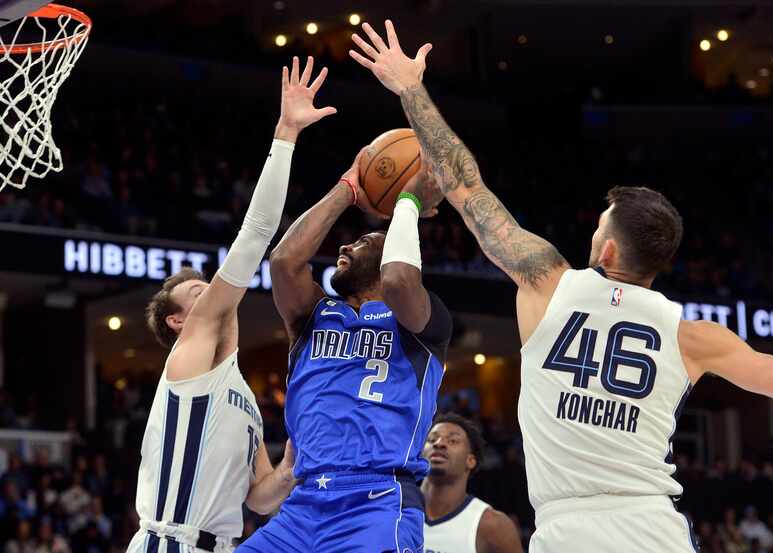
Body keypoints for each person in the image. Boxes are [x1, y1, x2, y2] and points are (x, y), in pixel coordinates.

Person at [350, 20, 773, 553]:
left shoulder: (546, 281)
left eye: (600, 223)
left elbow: (462, 184)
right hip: (653, 528)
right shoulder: (693, 336)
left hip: (568, 528)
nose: (594, 229)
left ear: (607, 250)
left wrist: (410, 88)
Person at [127, 56, 334, 553]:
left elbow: (259, 499)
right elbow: (257, 233)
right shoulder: (190, 360)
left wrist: (289, 469)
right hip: (167, 544)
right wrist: (285, 134)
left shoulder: (239, 391)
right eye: (197, 294)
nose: (211, 294)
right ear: (179, 322)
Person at [237, 141, 451, 551]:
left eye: (361, 243)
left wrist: (407, 200)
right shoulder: (313, 315)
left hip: (377, 501)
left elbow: (400, 281)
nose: (343, 247)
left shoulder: (420, 321)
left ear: (389, 254)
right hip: (304, 504)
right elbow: (283, 263)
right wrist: (349, 188)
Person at [422, 414, 522, 553]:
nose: (439, 443)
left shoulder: (492, 526)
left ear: (470, 461)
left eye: (452, 441)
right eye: (432, 439)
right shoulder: (393, 509)